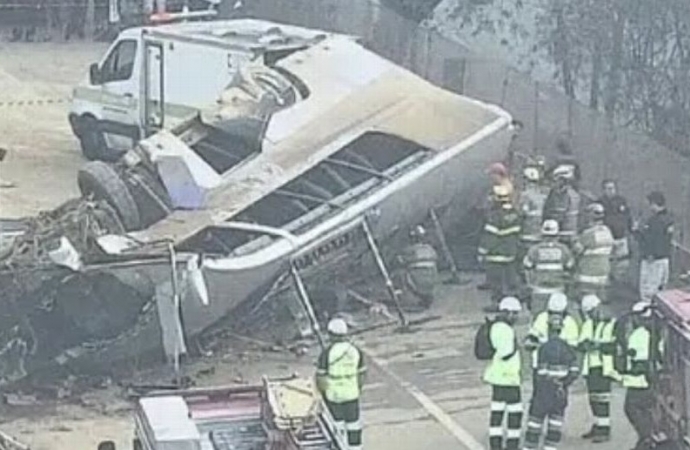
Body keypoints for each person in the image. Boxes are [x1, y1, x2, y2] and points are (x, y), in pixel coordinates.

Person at [523, 312, 580, 450]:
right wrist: (563, 383)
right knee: (555, 428)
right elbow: (574, 371)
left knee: (534, 426)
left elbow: (541, 373)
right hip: (560, 395)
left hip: (544, 393)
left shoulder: (544, 348)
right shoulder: (568, 348)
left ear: (549, 329)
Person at [316, 318, 366, 450]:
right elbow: (361, 375)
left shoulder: (327, 353)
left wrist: (323, 393)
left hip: (333, 395)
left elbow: (321, 377)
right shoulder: (355, 351)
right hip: (352, 394)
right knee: (354, 425)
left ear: (330, 334)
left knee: (337, 426)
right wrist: (358, 389)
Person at [483, 297, 524, 450]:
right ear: (507, 312)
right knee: (515, 413)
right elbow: (506, 353)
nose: (517, 317)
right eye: (515, 313)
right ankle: (512, 445)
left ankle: (495, 445)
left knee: (497, 412)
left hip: (497, 377)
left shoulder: (495, 326)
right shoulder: (505, 329)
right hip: (509, 378)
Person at [578, 294, 620, 443]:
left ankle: (604, 430)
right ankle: (597, 425)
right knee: (593, 398)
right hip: (591, 366)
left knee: (603, 399)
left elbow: (614, 346)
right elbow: (581, 344)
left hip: (604, 367)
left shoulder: (612, 324)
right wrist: (589, 345)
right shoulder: (588, 324)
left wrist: (598, 345)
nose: (592, 314)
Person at [478, 184, 522, 312]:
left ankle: (497, 303)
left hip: (496, 255)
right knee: (509, 281)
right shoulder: (514, 213)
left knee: (496, 283)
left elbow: (490, 237)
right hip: (510, 254)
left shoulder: (495, 216)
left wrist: (482, 252)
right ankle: (510, 302)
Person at [524, 292, 579, 391]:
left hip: (561, 368)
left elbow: (572, 349)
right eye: (552, 313)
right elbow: (530, 340)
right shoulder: (542, 318)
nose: (555, 317)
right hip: (541, 366)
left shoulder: (570, 323)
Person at [523, 220, 575, 312]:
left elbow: (527, 269)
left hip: (539, 290)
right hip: (558, 290)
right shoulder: (564, 249)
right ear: (557, 235)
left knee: (538, 320)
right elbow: (570, 269)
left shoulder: (534, 249)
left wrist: (530, 285)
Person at [622, 302, 655, 450]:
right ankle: (646, 438)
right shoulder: (652, 332)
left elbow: (640, 359)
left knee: (632, 408)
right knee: (645, 409)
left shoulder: (639, 334)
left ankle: (646, 438)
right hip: (647, 379)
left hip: (639, 380)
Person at [634, 191, 674, 303]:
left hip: (652, 260)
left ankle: (646, 313)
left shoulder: (655, 221)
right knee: (661, 289)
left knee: (648, 289)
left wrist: (636, 231)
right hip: (665, 258)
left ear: (654, 203)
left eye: (650, 204)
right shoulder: (669, 218)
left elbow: (648, 241)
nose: (649, 207)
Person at [572, 203, 614, 304]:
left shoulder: (588, 234)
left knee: (586, 302)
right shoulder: (607, 231)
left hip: (588, 273)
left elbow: (577, 251)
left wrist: (573, 240)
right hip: (604, 273)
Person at [395, 225, 439, 309]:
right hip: (430, 279)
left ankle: (400, 297)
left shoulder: (409, 250)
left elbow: (400, 260)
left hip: (417, 281)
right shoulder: (429, 249)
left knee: (399, 274)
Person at [598, 180, 633, 282]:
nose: (611, 191)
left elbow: (627, 216)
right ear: (604, 190)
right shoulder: (600, 203)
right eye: (608, 189)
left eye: (613, 188)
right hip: (607, 238)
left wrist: (629, 229)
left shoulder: (621, 201)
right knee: (607, 261)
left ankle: (619, 283)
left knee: (622, 263)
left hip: (620, 237)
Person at [543, 166, 581, 244]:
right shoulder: (574, 194)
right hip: (573, 234)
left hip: (563, 236)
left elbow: (558, 215)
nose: (553, 184)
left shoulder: (563, 195)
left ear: (563, 181)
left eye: (555, 181)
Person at [518, 165, 549, 247]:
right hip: (540, 234)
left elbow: (523, 213)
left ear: (526, 180)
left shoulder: (525, 195)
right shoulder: (543, 195)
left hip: (527, 234)